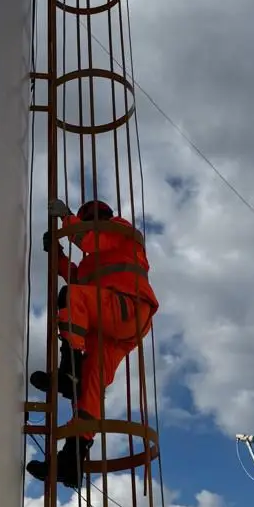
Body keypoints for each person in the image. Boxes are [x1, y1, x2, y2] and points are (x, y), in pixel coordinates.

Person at [26, 198, 159, 489]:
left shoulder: (118, 230)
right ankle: (71, 461)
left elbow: (89, 241)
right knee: (91, 383)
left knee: (71, 296)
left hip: (126, 306)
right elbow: (77, 275)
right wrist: (57, 254)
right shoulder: (95, 260)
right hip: (115, 324)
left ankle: (68, 371)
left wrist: (66, 218)